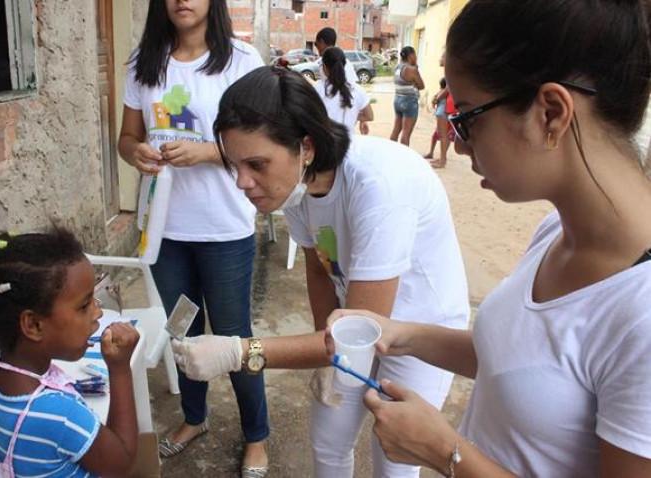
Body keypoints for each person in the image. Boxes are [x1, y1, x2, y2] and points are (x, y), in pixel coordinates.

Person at [350, 0, 651, 476]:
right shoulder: (560, 229)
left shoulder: (641, 313)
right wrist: (400, 334)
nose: (457, 139)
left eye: (467, 115)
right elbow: (520, 362)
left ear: (551, 112)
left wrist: (445, 452)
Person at [175, 65, 470, 478]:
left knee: (394, 459)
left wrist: (239, 353)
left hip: (421, 330)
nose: (242, 182)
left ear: (306, 146)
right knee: (328, 444)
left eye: (257, 164)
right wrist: (323, 347)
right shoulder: (296, 188)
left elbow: (362, 334)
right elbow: (319, 265)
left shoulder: (377, 187)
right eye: (234, 164)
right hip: (355, 324)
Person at [116, 0, 269, 474]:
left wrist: (208, 152)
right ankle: (195, 417)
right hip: (165, 230)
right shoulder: (143, 64)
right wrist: (135, 152)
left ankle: (256, 436)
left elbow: (264, 144)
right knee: (182, 330)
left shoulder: (243, 63)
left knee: (235, 338)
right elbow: (125, 136)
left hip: (224, 227)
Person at [0, 230, 140, 476]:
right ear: (33, 325)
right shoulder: (63, 416)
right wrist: (119, 370)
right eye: (84, 305)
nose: (97, 313)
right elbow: (121, 463)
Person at [313, 47, 374, 134]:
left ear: (324, 67)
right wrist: (353, 116)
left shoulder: (318, 88)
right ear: (344, 65)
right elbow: (370, 116)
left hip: (326, 142)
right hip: (349, 143)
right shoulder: (357, 89)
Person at [390, 46, 425, 146]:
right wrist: (415, 69)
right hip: (409, 102)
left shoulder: (397, 67)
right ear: (411, 55)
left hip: (397, 100)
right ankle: (403, 158)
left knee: (396, 130)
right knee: (406, 133)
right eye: (415, 55)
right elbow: (422, 86)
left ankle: (390, 152)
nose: (416, 57)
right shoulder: (411, 69)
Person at [424, 77, 454, 168]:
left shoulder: (451, 79)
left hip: (444, 109)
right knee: (445, 136)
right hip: (449, 109)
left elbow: (444, 91)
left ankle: (442, 161)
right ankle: (442, 158)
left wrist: (437, 98)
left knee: (443, 136)